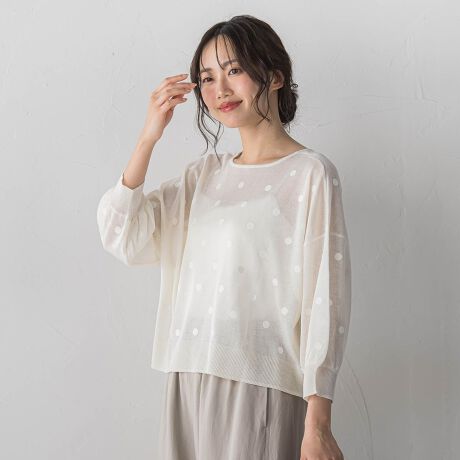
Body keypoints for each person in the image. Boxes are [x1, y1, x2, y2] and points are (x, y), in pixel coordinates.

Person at [97, 14, 351, 460]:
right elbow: (123, 237)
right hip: (186, 377)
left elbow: (325, 301)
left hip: (260, 382)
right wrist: (148, 137)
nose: (220, 90)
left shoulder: (309, 174)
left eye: (234, 70)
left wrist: (318, 424)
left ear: (274, 75)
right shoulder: (203, 176)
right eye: (207, 78)